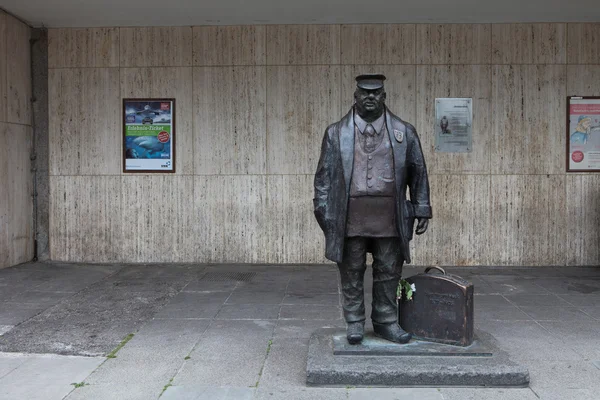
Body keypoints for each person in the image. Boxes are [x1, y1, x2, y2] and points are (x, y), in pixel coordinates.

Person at [313, 74, 432, 345]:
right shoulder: (335, 133)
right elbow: (323, 178)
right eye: (365, 93)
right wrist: (324, 213)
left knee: (389, 270)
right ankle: (354, 322)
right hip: (350, 215)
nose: (370, 97)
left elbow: (418, 171)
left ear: (384, 97)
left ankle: (386, 321)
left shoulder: (405, 132)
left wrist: (422, 207)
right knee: (352, 270)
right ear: (355, 97)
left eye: (376, 93)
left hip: (389, 215)